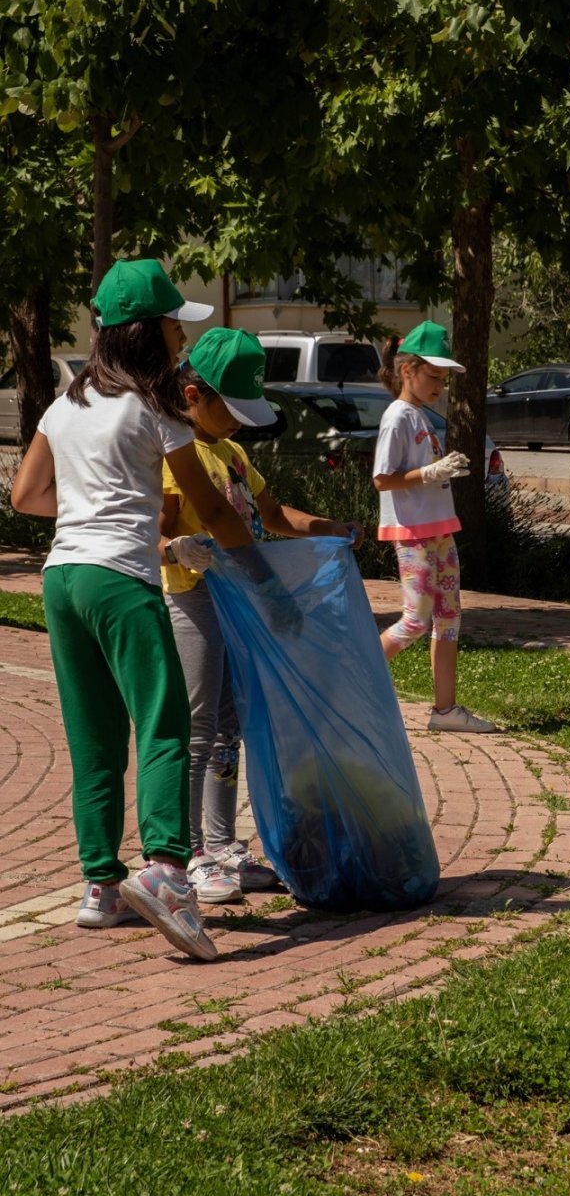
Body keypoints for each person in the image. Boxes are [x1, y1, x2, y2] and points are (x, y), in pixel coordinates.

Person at [10, 259, 257, 961]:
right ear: (150, 332)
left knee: (93, 738)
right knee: (164, 725)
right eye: (176, 323)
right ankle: (170, 873)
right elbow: (209, 504)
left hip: (64, 581)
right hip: (122, 581)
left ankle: (101, 888)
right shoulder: (160, 406)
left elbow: (26, 496)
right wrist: (260, 568)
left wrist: (103, 515)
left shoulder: (66, 405)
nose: (183, 335)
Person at [160, 327, 363, 902]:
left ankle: (222, 845)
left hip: (238, 602)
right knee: (198, 726)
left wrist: (327, 528)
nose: (241, 423)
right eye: (232, 409)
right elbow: (156, 529)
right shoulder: (179, 453)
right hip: (194, 599)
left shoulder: (232, 453)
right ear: (194, 394)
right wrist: (178, 548)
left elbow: (269, 514)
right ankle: (190, 850)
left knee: (229, 726)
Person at [373, 320, 497, 735]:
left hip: (439, 530)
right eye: (434, 377)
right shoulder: (398, 417)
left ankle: (445, 711)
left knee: (449, 619)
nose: (440, 387)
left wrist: (438, 471)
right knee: (415, 619)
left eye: (443, 380)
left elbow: (420, 473)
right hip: (413, 534)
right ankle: (350, 681)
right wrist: (430, 472)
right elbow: (383, 478)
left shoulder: (420, 416)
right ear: (407, 370)